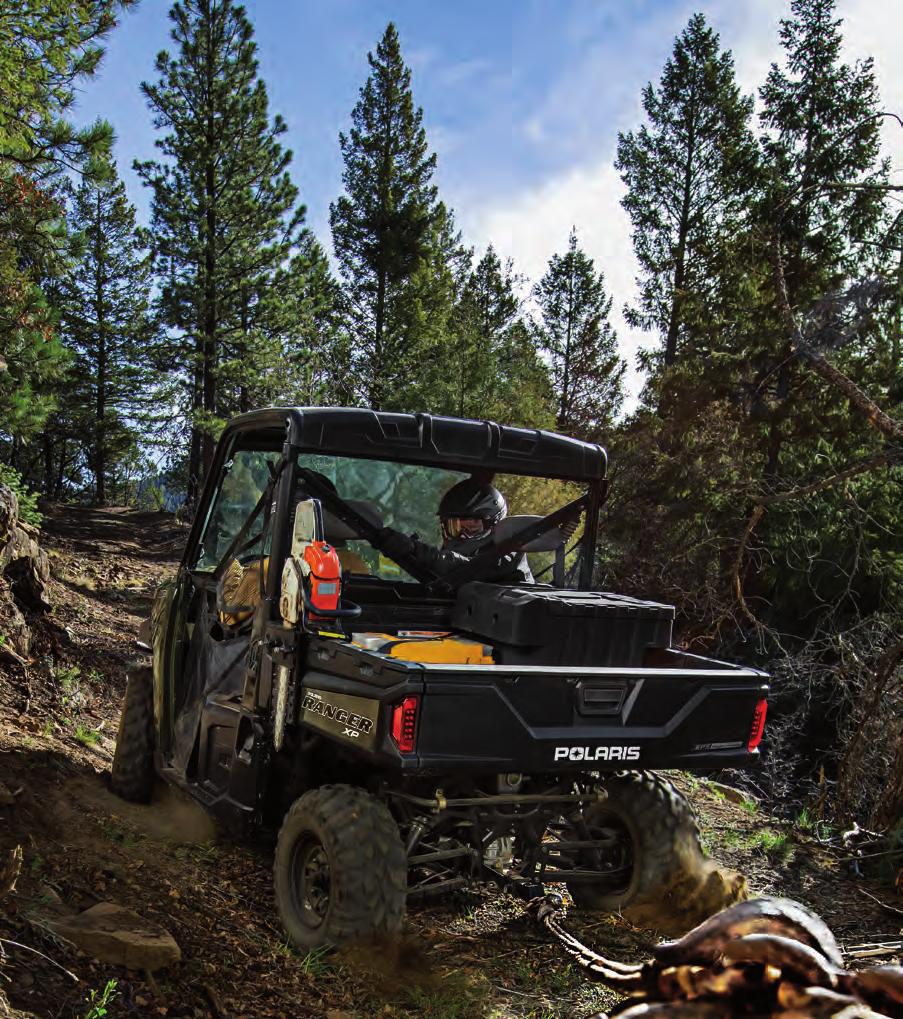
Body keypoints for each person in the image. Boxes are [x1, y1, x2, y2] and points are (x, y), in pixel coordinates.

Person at [372, 477, 534, 584]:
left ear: (492, 524)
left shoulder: (508, 554)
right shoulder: (457, 549)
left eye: (470, 527)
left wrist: (416, 549)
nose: (460, 534)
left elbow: (468, 568)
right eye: (454, 526)